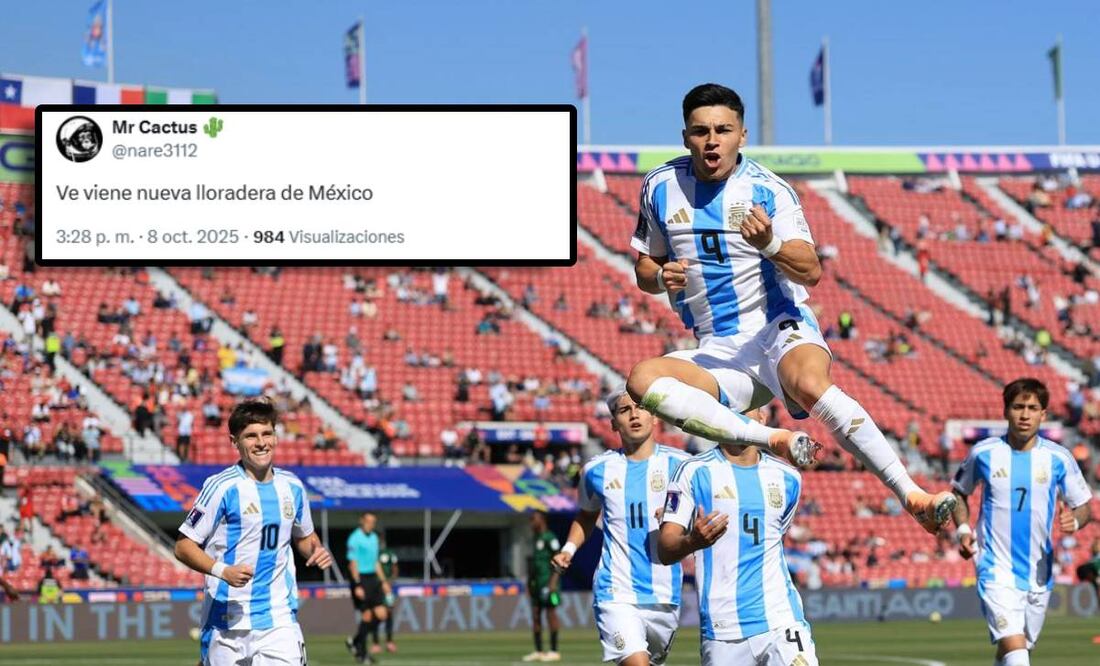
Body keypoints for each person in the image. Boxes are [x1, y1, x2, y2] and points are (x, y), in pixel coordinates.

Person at [627, 82, 954, 534]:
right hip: (720, 351)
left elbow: (811, 270)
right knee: (641, 381)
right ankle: (773, 438)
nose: (712, 140)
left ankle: (910, 493)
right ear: (685, 136)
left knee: (809, 384)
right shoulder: (660, 187)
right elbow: (645, 268)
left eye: (723, 130)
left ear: (742, 135)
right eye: (701, 131)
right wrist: (661, 277)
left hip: (777, 327)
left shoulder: (769, 191)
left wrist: (770, 243)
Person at [173, 397, 334, 666]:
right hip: (225, 621)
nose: (260, 442)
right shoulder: (221, 487)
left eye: (266, 433)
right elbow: (183, 546)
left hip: (278, 618)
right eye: (250, 436)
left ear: (275, 436)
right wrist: (222, 571)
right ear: (234, 442)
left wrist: (315, 551)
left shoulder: (292, 487)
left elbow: (305, 537)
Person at [657, 409, 818, 665]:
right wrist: (693, 541)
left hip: (781, 618)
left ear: (763, 418)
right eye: (734, 411)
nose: (742, 419)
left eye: (749, 411)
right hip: (723, 629)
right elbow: (664, 550)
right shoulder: (693, 471)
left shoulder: (789, 479)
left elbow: (776, 540)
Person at [951, 378, 1093, 666]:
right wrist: (964, 530)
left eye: (1032, 408)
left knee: (1017, 648)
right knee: (1016, 649)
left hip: (1038, 572)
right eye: (1018, 407)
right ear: (1006, 411)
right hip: (994, 566)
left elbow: (1084, 506)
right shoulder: (984, 453)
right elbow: (958, 494)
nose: (1025, 414)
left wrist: (1075, 522)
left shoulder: (1059, 458)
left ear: (1044, 414)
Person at [551, 389, 691, 666]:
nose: (634, 414)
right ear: (614, 423)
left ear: (655, 417)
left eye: (640, 408)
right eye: (624, 410)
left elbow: (701, 520)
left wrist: (680, 520)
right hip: (615, 590)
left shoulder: (683, 466)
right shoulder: (596, 470)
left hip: (664, 593)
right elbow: (587, 515)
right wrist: (568, 549)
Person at [345, 512, 391, 664]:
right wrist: (357, 584)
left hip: (373, 579)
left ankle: (355, 641)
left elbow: (376, 561)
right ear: (362, 521)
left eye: (373, 522)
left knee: (382, 614)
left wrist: (383, 581)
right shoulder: (354, 538)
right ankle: (362, 654)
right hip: (360, 579)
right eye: (368, 521)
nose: (371, 524)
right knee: (367, 616)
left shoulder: (374, 538)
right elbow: (353, 563)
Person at [524, 510, 562, 662]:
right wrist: (529, 583)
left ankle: (554, 650)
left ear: (542, 520)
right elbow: (534, 564)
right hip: (536, 584)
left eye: (534, 519)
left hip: (549, 583)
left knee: (550, 614)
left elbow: (559, 560)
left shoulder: (550, 538)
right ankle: (538, 650)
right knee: (535, 615)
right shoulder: (535, 538)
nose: (531, 522)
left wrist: (553, 581)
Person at [370, 531, 399, 653]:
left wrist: (390, 582)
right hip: (375, 587)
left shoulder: (389, 553)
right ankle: (376, 643)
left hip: (387, 587)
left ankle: (389, 641)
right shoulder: (371, 554)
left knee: (389, 613)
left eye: (380, 539)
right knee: (374, 614)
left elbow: (395, 568)